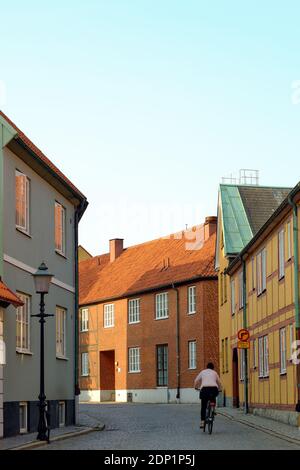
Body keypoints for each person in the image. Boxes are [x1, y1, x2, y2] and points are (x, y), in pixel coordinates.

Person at [194, 362, 222, 429]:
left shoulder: (203, 372)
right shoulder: (214, 373)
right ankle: (213, 410)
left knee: (203, 406)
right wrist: (220, 389)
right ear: (213, 368)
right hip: (213, 389)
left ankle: (202, 422)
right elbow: (219, 382)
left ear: (207, 367)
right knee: (213, 398)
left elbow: (196, 380)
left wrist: (195, 387)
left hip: (204, 390)